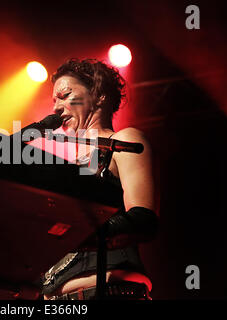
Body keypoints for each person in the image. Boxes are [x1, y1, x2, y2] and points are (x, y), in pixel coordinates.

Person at [41, 58, 159, 300]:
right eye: (54, 100)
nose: (56, 108)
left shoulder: (124, 141)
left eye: (64, 95)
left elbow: (144, 220)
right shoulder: (64, 165)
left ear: (99, 96)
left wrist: (78, 235)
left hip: (110, 292)